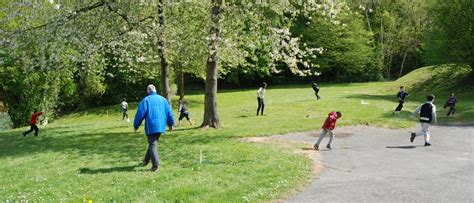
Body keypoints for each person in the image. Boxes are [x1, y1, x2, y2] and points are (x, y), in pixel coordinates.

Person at [134, 84, 174, 172]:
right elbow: (169, 112)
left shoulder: (146, 100)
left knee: (152, 144)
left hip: (151, 126)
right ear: (155, 90)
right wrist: (171, 124)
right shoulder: (163, 99)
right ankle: (145, 161)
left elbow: (140, 114)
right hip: (161, 126)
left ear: (148, 91)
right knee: (153, 143)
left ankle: (155, 165)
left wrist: (136, 125)